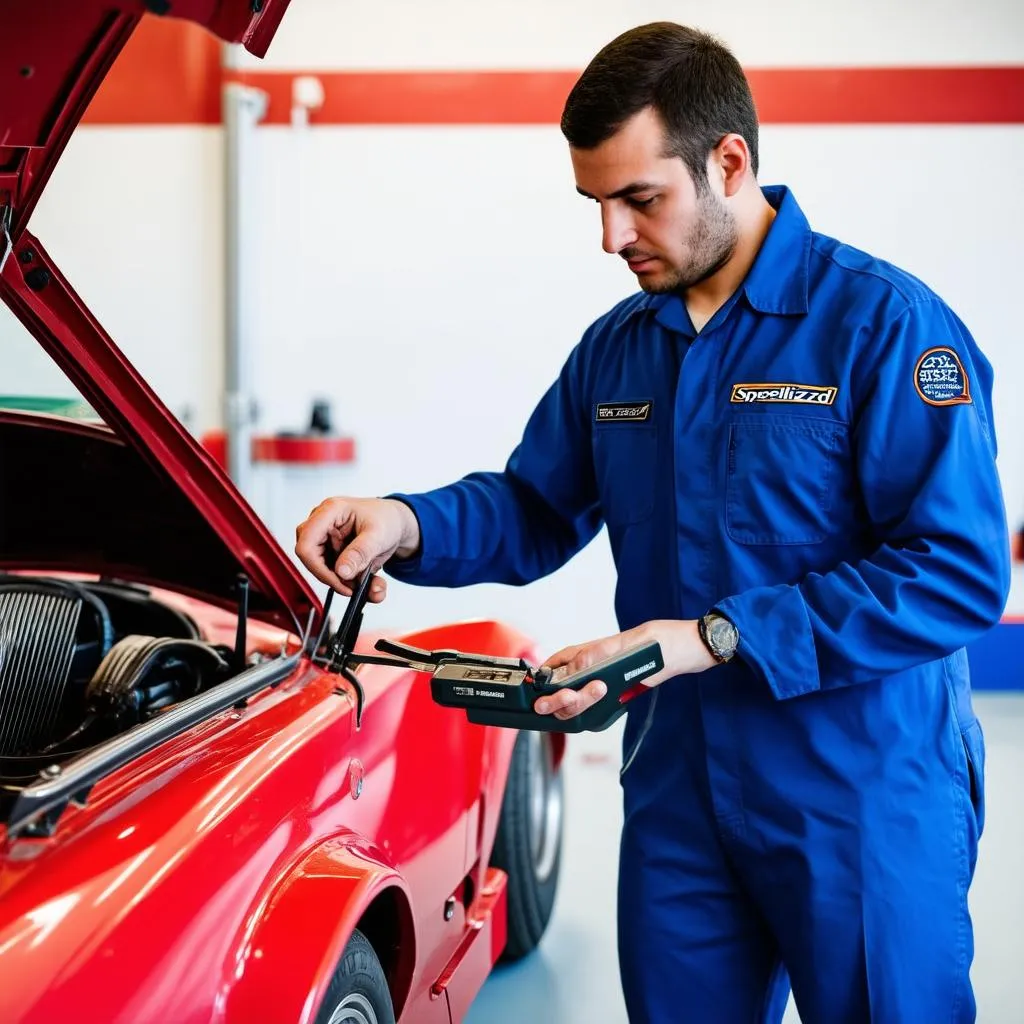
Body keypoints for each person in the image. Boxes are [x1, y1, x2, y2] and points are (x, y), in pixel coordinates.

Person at [294, 21, 1009, 1024]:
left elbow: (956, 572)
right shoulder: (622, 349)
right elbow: (535, 506)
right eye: (595, 204)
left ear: (728, 163)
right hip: (680, 792)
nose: (611, 237)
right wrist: (405, 522)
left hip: (862, 790)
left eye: (639, 199)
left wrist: (718, 635)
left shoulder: (883, 325)